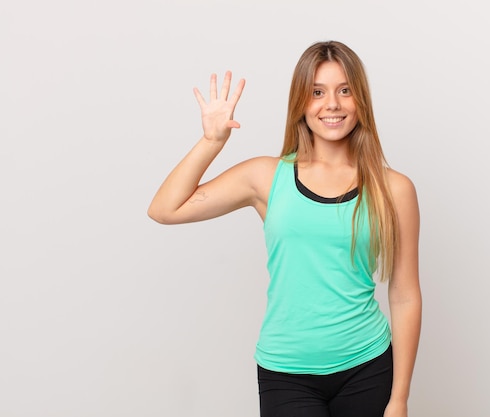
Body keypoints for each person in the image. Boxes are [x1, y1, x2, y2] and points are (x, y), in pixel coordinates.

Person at [147, 40, 422, 417]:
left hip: (367, 366)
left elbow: (405, 295)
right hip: (285, 372)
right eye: (317, 92)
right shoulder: (266, 177)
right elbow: (165, 209)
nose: (333, 104)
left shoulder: (394, 188)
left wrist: (400, 398)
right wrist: (212, 141)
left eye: (345, 91)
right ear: (300, 103)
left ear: (361, 100)